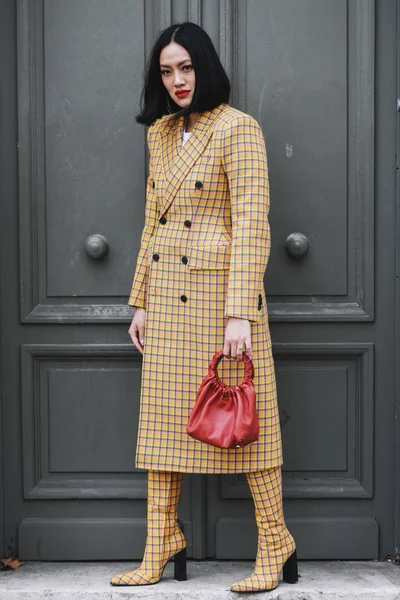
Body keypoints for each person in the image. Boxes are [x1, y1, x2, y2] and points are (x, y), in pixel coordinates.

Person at [110, 21, 297, 594]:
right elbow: (152, 220)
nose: (177, 81)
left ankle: (275, 541)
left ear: (205, 67)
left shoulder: (239, 129)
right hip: (167, 299)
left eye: (186, 67)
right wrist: (139, 299)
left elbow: (251, 220)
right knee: (162, 426)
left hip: (222, 302)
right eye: (167, 71)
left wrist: (239, 308)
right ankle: (160, 540)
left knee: (249, 425)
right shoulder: (161, 133)